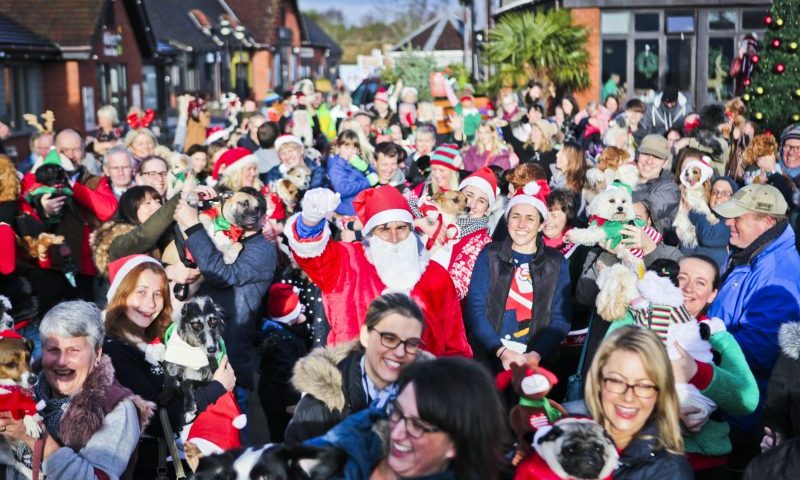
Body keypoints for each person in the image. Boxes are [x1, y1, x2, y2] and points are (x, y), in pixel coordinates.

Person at [286, 185, 471, 356]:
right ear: (371, 233)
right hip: (356, 378)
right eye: (384, 229)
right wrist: (310, 220)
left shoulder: (435, 274)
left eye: (401, 228)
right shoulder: (348, 261)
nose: (394, 237)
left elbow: (454, 339)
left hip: (419, 382)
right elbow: (313, 257)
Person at [101, 255, 235, 477]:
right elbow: (153, 419)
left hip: (181, 457)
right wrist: (217, 388)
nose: (151, 303)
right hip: (151, 468)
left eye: (158, 294)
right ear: (120, 295)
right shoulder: (114, 351)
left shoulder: (157, 339)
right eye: (141, 292)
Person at [0, 301, 154, 479]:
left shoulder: (115, 409)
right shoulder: (20, 391)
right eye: (53, 350)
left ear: (96, 354)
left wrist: (33, 440)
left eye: (74, 350)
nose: (61, 361)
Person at [307, 357, 507, 480]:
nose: (397, 432)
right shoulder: (364, 437)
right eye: (398, 412)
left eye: (418, 425)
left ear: (457, 444)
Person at [708, 184, 800, 444]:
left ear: (766, 222)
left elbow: (760, 348)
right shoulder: (749, 252)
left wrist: (700, 351)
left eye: (737, 217)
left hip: (743, 411)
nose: (728, 222)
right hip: (726, 395)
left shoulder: (777, 273)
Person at [285, 292, 425, 444]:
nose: (400, 352)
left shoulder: (432, 399)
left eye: (411, 343)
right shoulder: (316, 409)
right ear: (365, 335)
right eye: (389, 339)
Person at [174, 188, 275, 397]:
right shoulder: (219, 234)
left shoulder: (262, 249)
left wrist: (194, 226)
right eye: (241, 205)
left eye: (254, 209)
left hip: (228, 361)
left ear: (264, 218)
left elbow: (221, 273)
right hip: (195, 354)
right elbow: (187, 248)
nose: (247, 212)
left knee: (230, 426)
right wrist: (197, 208)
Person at [465, 180, 571, 372]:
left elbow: (560, 319)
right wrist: (501, 351)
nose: (521, 224)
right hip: (489, 358)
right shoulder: (489, 254)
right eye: (516, 216)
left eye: (530, 218)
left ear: (541, 225)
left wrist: (536, 355)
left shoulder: (556, 262)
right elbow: (475, 309)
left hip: (535, 362)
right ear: (507, 221)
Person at [675, 254, 759, 477]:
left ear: (712, 294)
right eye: (681, 278)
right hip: (643, 456)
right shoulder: (640, 321)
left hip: (706, 464)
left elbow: (747, 400)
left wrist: (698, 373)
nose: (688, 288)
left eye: (700, 283)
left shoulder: (717, 336)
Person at [584, 326, 693, 479]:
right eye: (616, 380)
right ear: (598, 382)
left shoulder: (671, 472)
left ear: (660, 392)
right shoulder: (563, 440)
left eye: (644, 385)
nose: (628, 397)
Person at [681, 176, 736, 269]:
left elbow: (708, 235)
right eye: (715, 192)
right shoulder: (702, 217)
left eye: (725, 193)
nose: (718, 196)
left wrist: (693, 211)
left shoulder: (731, 223)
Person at [632, 134, 680, 240]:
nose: (649, 161)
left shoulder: (670, 189)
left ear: (665, 162)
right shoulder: (622, 175)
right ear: (638, 155)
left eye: (657, 157)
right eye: (645, 153)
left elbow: (647, 207)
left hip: (649, 252)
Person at [327, 130, 377, 216]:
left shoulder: (355, 162)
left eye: (354, 148)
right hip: (349, 211)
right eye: (347, 147)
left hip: (364, 207)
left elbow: (374, 176)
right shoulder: (336, 166)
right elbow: (342, 189)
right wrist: (367, 182)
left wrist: (365, 168)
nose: (351, 151)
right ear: (338, 148)